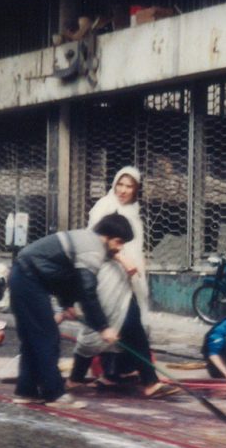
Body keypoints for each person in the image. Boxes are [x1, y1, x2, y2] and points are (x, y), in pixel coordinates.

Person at [9, 214, 133, 408]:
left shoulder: (87, 240)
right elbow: (87, 291)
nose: (120, 248)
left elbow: (68, 276)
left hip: (23, 277)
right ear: (109, 237)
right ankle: (55, 394)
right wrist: (103, 327)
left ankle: (27, 391)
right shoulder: (93, 249)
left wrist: (67, 304)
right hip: (28, 279)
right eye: (119, 242)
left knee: (33, 340)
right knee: (47, 338)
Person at [60, 259, 178, 398]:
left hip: (118, 283)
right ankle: (78, 379)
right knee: (102, 333)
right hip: (107, 281)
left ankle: (117, 376)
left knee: (129, 332)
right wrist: (124, 259)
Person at [87, 166, 149, 309]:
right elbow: (94, 239)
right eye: (120, 184)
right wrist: (121, 258)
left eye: (129, 186)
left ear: (136, 189)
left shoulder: (134, 209)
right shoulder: (105, 205)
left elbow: (135, 242)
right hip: (108, 265)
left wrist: (138, 261)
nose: (123, 190)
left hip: (129, 269)